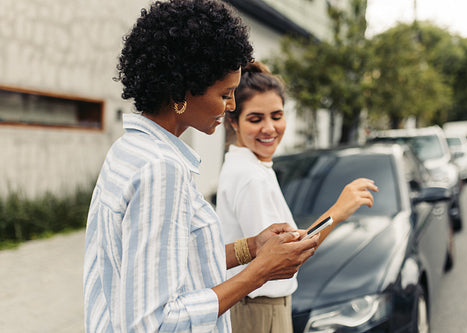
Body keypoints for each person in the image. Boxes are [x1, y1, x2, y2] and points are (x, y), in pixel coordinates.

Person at [82, 1, 320, 332]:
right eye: (225, 94)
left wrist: (251, 248)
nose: (232, 105)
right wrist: (260, 272)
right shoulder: (160, 170)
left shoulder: (130, 150)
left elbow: (171, 264)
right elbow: (153, 323)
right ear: (182, 90)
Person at [217, 61, 379, 332]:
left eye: (277, 116)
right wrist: (338, 211)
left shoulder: (249, 165)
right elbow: (288, 256)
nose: (269, 128)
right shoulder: (250, 176)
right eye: (255, 119)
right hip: (260, 313)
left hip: (258, 308)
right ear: (233, 121)